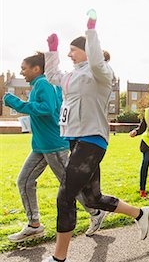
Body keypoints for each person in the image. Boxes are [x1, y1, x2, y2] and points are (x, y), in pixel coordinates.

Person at [42, 11, 149, 262]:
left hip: (93, 140)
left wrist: (91, 31)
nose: (70, 55)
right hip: (76, 140)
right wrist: (53, 51)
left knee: (65, 195)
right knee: (93, 197)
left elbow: (95, 61)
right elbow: (52, 76)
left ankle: (59, 257)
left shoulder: (101, 73)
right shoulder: (71, 76)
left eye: (73, 50)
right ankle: (140, 213)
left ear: (86, 50)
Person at [3, 53, 108, 243]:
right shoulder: (41, 85)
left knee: (70, 187)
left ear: (36, 69)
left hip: (53, 145)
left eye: (24, 68)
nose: (21, 71)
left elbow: (46, 109)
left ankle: (96, 211)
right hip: (41, 145)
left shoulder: (43, 83)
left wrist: (16, 103)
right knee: (24, 181)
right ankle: (34, 224)